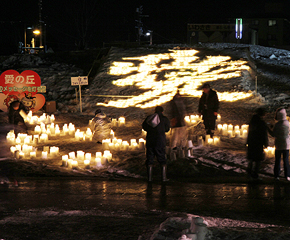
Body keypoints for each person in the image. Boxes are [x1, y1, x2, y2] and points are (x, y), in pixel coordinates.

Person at [142, 106, 170, 182]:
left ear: (155, 111)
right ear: (162, 111)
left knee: (150, 159)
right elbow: (167, 129)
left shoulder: (149, 118)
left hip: (150, 141)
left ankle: (150, 178)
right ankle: (163, 178)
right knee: (162, 159)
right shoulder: (164, 119)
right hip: (160, 141)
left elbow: (144, 127)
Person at [268, 108, 290, 181]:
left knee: (277, 160)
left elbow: (273, 134)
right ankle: (287, 176)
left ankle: (276, 175)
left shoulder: (277, 124)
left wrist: (269, 129)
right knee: (286, 160)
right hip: (286, 145)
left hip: (278, 145)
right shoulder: (287, 123)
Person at [247, 108, 268, 179]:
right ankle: (255, 174)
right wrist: (266, 143)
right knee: (258, 160)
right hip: (258, 143)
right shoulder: (261, 123)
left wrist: (247, 141)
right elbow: (264, 134)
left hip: (251, 142)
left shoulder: (252, 121)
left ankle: (249, 173)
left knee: (251, 159)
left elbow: (249, 132)